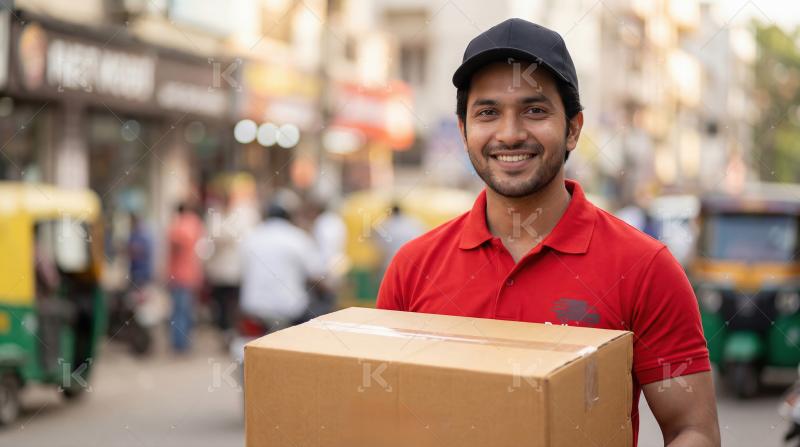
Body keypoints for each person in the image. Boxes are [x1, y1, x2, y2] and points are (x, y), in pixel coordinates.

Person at [377, 18, 720, 447]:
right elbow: (385, 419)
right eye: (487, 113)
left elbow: (692, 430)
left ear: (574, 128)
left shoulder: (645, 267)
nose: (510, 133)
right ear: (464, 130)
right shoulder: (413, 268)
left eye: (534, 110)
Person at [239, 192, 326, 328]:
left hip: (253, 307)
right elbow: (316, 272)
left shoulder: (251, 236)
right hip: (290, 309)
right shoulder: (297, 238)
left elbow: (241, 270)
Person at [204, 193, 258, 343]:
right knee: (220, 305)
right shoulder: (215, 216)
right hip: (219, 273)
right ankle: (225, 332)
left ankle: (232, 332)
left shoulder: (240, 216)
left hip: (235, 273)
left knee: (233, 305)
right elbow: (213, 237)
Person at [167, 202, 204, 353]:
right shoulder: (196, 225)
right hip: (192, 275)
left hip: (179, 276)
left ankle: (180, 344)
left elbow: (175, 247)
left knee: (179, 311)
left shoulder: (179, 227)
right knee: (186, 311)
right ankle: (185, 342)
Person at [376, 203, 425, 272]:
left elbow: (380, 248)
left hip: (391, 264)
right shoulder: (414, 222)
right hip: (413, 263)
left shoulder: (385, 225)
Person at [127, 213, 153, 289]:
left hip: (141, 269)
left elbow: (145, 250)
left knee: (140, 290)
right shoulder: (133, 235)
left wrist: (135, 249)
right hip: (134, 269)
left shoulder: (143, 235)